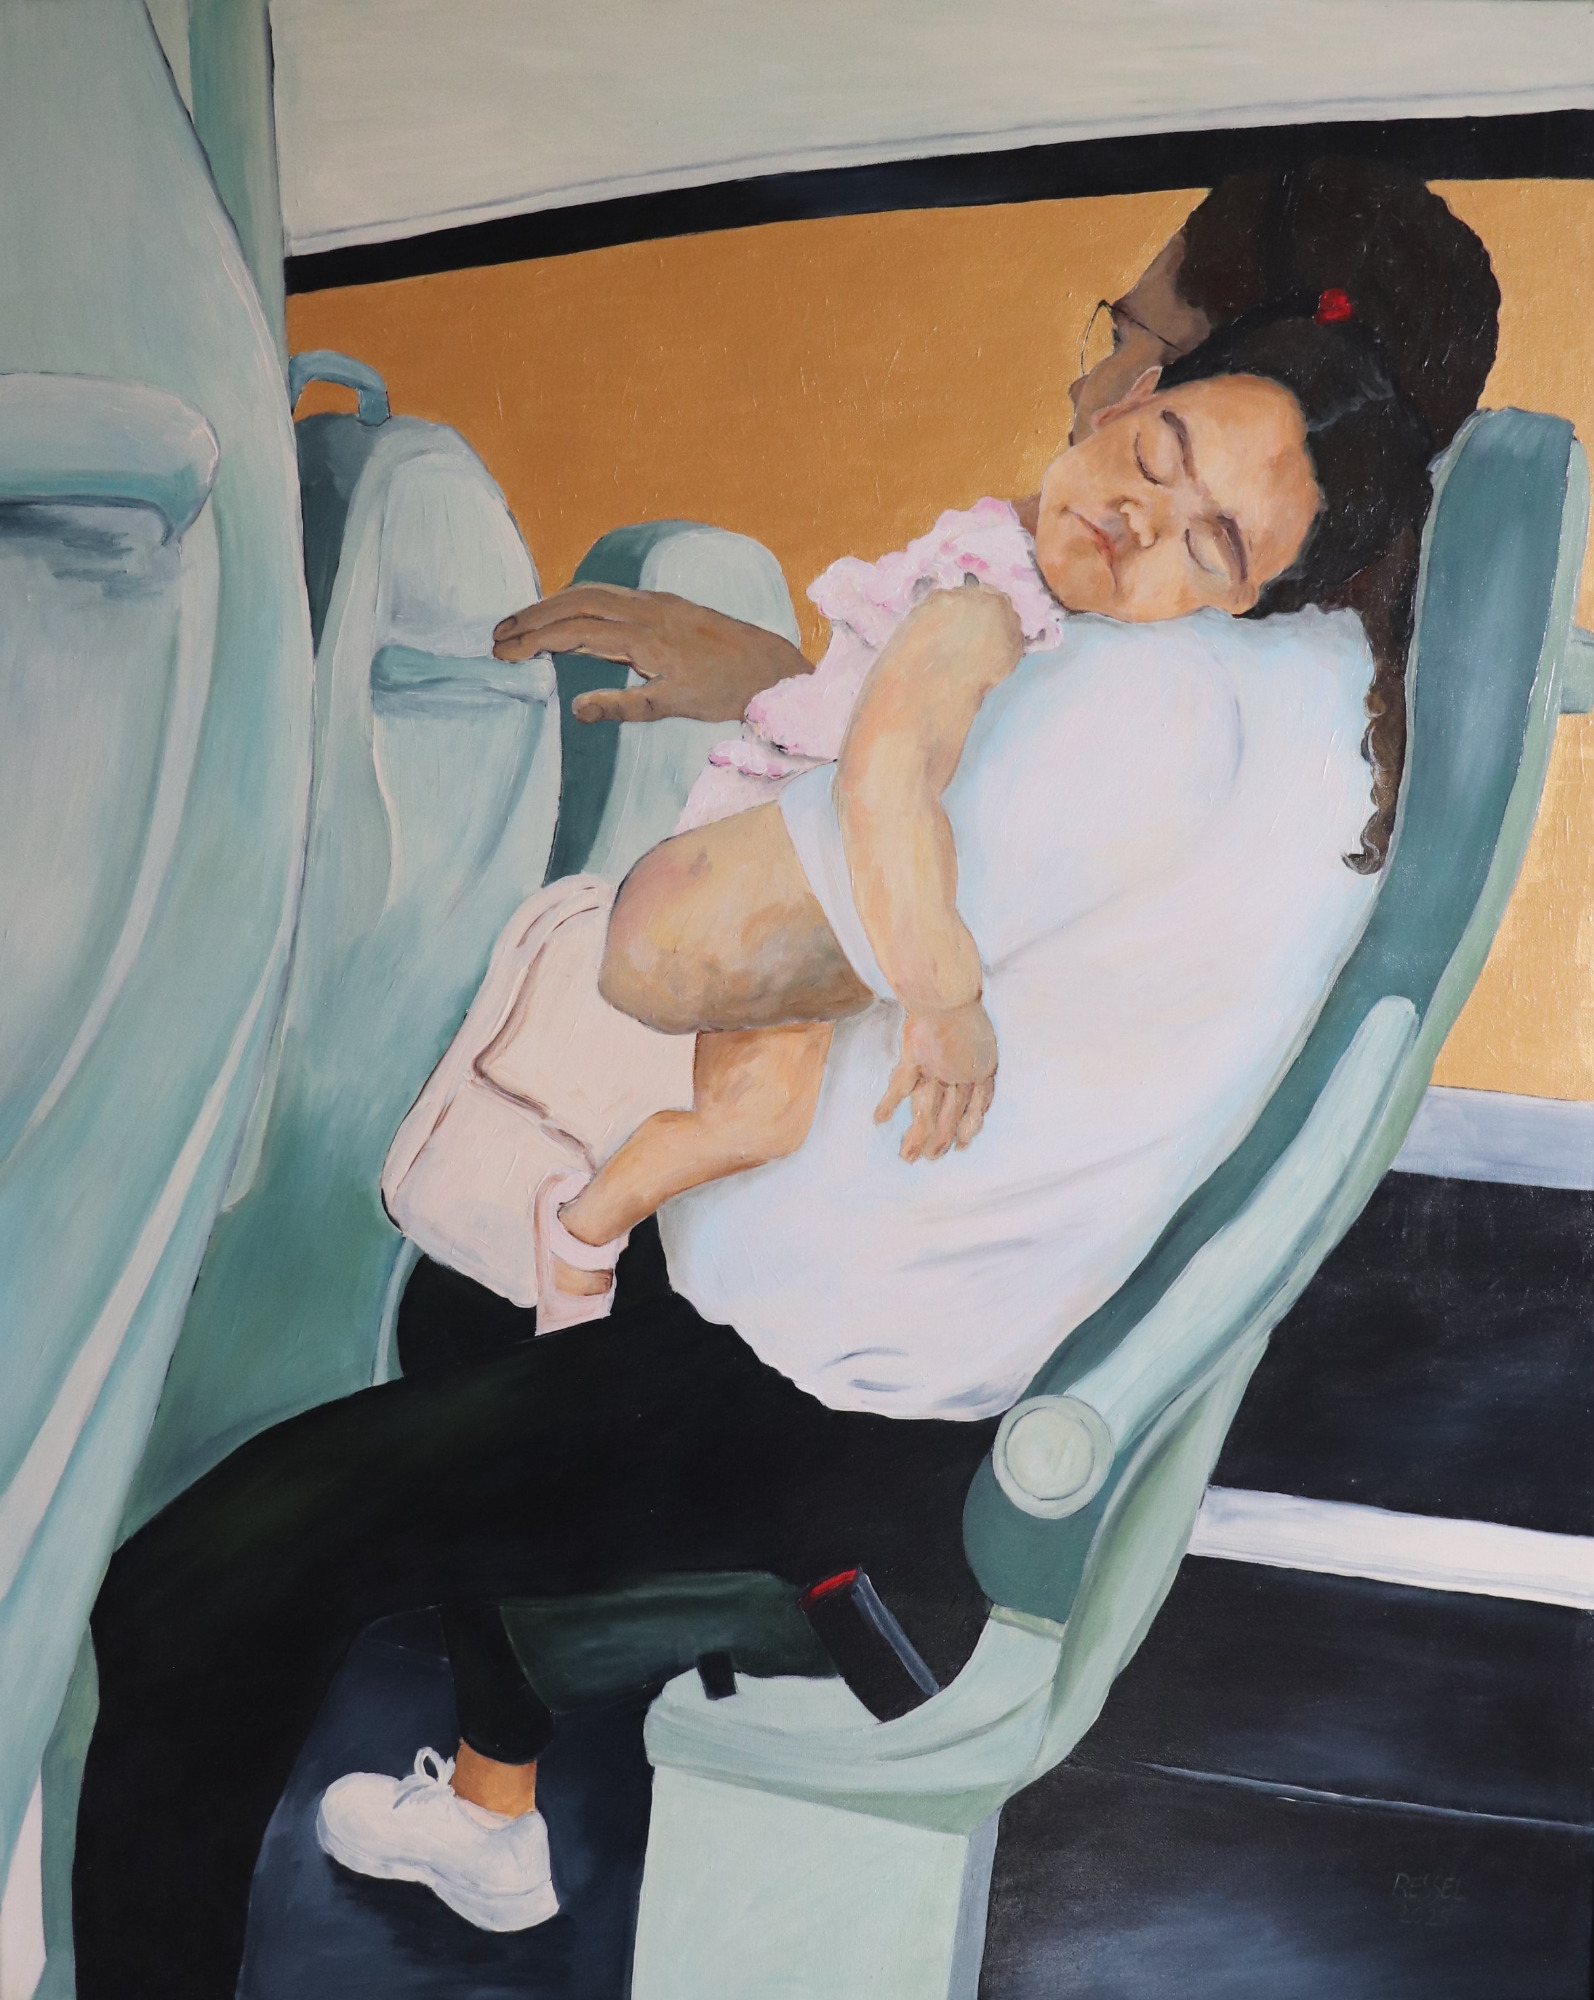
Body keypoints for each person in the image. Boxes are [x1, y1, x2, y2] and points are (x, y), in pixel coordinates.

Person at [73, 171, 1499, 1994]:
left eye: (1135, 342)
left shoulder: (1143, 700)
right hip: (906, 1357)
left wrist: (810, 761)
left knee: (193, 1589)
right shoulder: (1310, 686)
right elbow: (981, 825)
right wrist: (778, 686)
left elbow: (668, 948)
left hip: (812, 1423)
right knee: (469, 1289)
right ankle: (497, 1821)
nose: (1096, 392)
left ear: (1265, 378)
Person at [531, 314, 1425, 1330]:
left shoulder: (1098, 650)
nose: (1139, 519)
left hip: (800, 889)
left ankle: (577, 1235)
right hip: (734, 873)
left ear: (1240, 605)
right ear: (1127, 402)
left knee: (758, 1122)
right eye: (1154, 456)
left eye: (1206, 546)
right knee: (748, 1106)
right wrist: (946, 1003)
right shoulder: (983, 599)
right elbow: (882, 783)